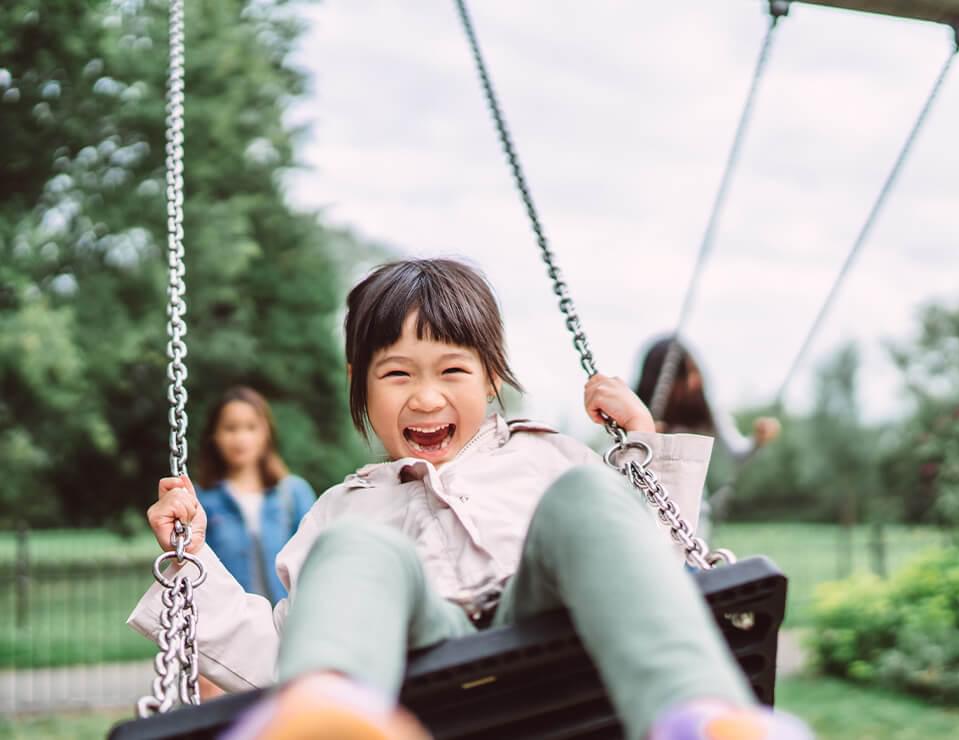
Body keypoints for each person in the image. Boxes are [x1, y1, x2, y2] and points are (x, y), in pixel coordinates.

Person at [131, 258, 811, 740]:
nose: (425, 396)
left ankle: (699, 717)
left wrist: (644, 448)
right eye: (396, 374)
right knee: (356, 547)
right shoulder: (341, 509)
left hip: (549, 635)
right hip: (417, 664)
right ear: (360, 385)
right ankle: (331, 716)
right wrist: (190, 563)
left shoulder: (548, 456)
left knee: (587, 495)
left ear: (489, 379)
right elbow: (278, 651)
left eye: (452, 370)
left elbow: (648, 580)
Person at [635, 337, 781, 524]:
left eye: (694, 372)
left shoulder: (707, 412)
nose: (693, 382)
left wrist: (758, 440)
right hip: (643, 508)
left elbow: (738, 454)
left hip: (689, 511)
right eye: (684, 376)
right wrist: (642, 435)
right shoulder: (638, 412)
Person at [195, 386, 316, 605]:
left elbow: (314, 563)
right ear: (215, 436)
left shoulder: (293, 494)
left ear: (266, 433)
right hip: (228, 626)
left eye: (251, 428)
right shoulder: (201, 499)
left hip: (285, 626)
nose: (241, 438)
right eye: (230, 428)